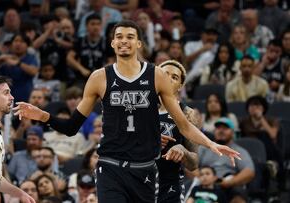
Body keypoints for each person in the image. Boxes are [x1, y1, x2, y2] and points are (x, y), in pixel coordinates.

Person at [14, 20, 240, 203]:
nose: (124, 41)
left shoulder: (156, 75)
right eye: (119, 37)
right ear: (112, 43)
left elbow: (182, 124)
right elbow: (72, 126)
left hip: (145, 169)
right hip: (111, 166)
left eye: (130, 37)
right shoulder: (99, 78)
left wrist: (211, 144)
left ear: (139, 44)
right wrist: (43, 115)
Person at [157, 60, 201, 203]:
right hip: (136, 180)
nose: (168, 79)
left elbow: (193, 164)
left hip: (169, 185)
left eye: (174, 77)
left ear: (180, 86)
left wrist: (183, 150)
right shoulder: (138, 108)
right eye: (164, 74)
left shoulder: (187, 113)